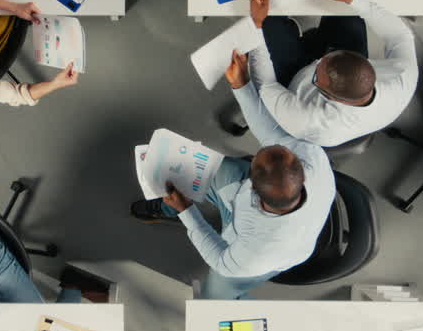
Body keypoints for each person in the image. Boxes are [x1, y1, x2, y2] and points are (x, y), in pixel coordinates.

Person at [130, 50, 334, 299]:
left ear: (252, 189)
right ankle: (168, 205)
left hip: (251, 252)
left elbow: (219, 258)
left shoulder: (253, 256)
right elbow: (271, 134)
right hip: (245, 210)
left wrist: (188, 212)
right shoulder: (313, 158)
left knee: (215, 300)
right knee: (205, 167)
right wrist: (241, 84)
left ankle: (177, 207)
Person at [240, 0, 418, 146]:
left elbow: (266, 84)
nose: (318, 59)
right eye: (327, 57)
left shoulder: (309, 121)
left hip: (295, 79)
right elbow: (400, 35)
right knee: (346, 6)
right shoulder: (402, 77)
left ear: (332, 97)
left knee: (267, 21)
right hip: (338, 69)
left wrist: (256, 25)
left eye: (317, 73)